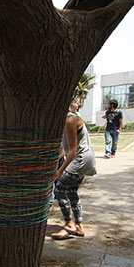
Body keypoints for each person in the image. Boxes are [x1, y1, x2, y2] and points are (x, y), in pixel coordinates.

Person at [51, 100, 97, 240]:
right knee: (71, 191)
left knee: (59, 189)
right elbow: (65, 150)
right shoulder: (70, 118)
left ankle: (69, 224)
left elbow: (72, 151)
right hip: (86, 159)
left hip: (80, 159)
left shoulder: (70, 120)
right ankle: (79, 227)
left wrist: (59, 172)